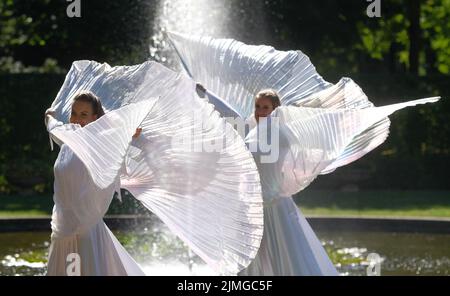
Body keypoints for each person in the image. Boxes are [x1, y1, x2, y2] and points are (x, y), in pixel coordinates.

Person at [45, 91, 145, 276]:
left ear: (94, 118)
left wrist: (128, 133)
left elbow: (114, 136)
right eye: (74, 113)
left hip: (86, 231)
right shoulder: (68, 140)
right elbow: (53, 127)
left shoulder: (100, 142)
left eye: (84, 115)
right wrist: (49, 117)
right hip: (62, 229)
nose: (77, 119)